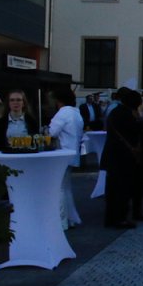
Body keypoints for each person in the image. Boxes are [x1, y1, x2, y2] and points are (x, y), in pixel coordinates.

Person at [100, 88, 142, 229]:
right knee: (122, 189)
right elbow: (137, 131)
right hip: (123, 156)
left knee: (113, 189)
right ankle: (120, 218)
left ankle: (111, 218)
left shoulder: (116, 112)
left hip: (113, 155)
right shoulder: (127, 115)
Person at [48, 87, 84, 228]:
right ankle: (71, 218)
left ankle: (62, 221)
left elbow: (52, 132)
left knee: (60, 188)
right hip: (73, 153)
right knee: (66, 188)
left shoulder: (62, 113)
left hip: (62, 154)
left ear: (58, 100)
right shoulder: (76, 113)